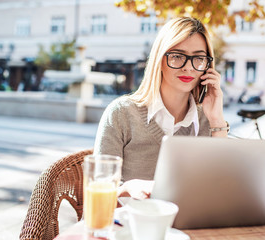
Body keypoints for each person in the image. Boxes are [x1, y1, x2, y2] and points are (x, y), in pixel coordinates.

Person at [94, 17, 229, 199]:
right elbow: (98, 196)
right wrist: (129, 188)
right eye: (177, 56)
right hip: (131, 224)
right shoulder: (121, 113)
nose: (189, 67)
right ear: (160, 60)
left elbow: (221, 191)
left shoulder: (208, 119)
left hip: (190, 226)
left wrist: (217, 121)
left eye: (198, 58)